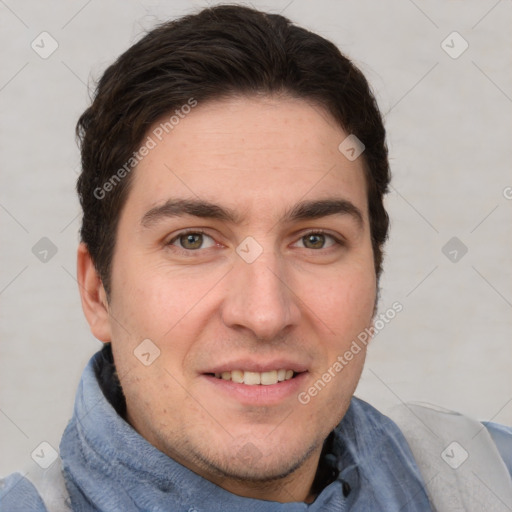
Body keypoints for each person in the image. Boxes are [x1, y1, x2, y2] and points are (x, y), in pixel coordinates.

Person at [1, 4, 511, 511]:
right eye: (193, 241)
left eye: (315, 240)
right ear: (97, 293)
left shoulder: (491, 478)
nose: (265, 314)